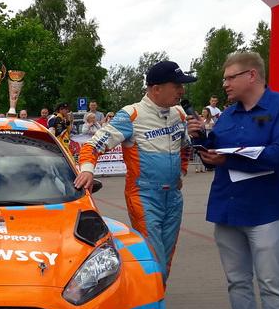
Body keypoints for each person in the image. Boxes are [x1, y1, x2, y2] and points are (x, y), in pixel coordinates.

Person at [190, 52, 279, 309]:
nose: (225, 84)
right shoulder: (228, 114)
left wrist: (229, 160)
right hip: (228, 208)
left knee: (271, 282)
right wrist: (201, 140)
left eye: (230, 77)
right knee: (237, 280)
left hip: (266, 210)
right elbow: (216, 151)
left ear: (251, 76)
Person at [75, 60, 196, 285]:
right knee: (155, 260)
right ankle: (147, 301)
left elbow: (185, 146)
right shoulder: (131, 114)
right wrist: (88, 171)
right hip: (144, 196)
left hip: (173, 197)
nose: (182, 91)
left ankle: (153, 297)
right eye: (177, 85)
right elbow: (91, 146)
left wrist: (181, 172)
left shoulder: (179, 113)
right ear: (156, 88)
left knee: (166, 260)